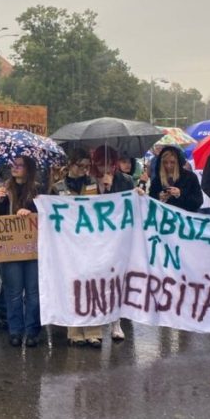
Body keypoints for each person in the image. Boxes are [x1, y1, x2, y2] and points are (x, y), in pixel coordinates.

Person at [0, 155, 41, 347]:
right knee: (13, 292)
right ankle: (15, 331)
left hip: (33, 249)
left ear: (29, 169)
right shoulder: (5, 189)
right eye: (13, 164)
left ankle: (33, 330)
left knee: (33, 293)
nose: (15, 168)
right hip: (11, 250)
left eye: (20, 165)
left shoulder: (38, 190)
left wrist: (30, 212)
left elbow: (46, 214)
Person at [51, 149, 98, 346]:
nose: (84, 170)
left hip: (90, 242)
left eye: (87, 166)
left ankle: (93, 331)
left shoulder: (94, 184)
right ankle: (75, 331)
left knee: (92, 285)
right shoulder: (57, 187)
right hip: (68, 244)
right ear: (70, 165)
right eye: (80, 166)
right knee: (72, 286)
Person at [90, 145, 135, 343]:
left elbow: (131, 205)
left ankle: (116, 323)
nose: (106, 168)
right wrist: (102, 190)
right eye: (102, 164)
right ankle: (98, 322)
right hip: (96, 237)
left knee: (117, 279)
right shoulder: (90, 180)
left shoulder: (126, 180)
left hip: (118, 237)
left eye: (109, 164)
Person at [148, 145, 203, 212]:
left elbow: (198, 201)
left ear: (178, 162)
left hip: (184, 216)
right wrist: (159, 197)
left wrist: (180, 194)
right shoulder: (157, 179)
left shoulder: (190, 177)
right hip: (164, 215)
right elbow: (150, 200)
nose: (169, 166)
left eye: (172, 162)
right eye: (165, 162)